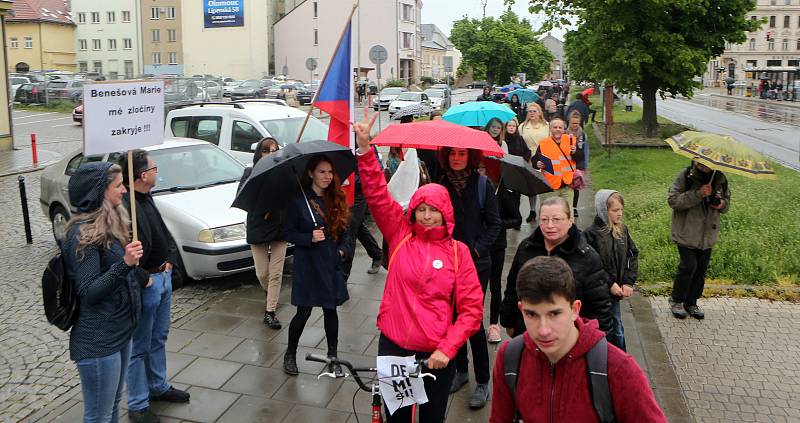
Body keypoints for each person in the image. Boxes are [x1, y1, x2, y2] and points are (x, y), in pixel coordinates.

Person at [354, 110, 484, 422]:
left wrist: (448, 349)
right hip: (395, 347)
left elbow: (472, 310)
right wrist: (364, 150)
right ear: (412, 210)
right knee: (396, 416)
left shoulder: (459, 253)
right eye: (421, 209)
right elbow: (377, 195)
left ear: (445, 213)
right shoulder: (399, 235)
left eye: (433, 210)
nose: (426, 216)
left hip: (436, 355)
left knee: (430, 418)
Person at [490, 256, 668, 422]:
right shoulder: (510, 358)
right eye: (531, 314)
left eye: (554, 313)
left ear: (575, 309)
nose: (543, 330)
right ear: (521, 310)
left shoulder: (618, 369)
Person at [63, 162, 148, 423]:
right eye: (118, 185)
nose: (124, 190)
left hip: (120, 332)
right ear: (99, 191)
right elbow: (90, 291)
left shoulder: (111, 223)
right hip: (99, 341)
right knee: (98, 416)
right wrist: (125, 264)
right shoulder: (83, 234)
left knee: (112, 409)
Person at [120, 150, 190, 423]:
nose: (157, 171)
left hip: (162, 278)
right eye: (154, 167)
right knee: (139, 346)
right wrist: (142, 276)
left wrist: (171, 260)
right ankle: (137, 403)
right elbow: (121, 250)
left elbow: (164, 234)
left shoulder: (148, 199)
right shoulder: (125, 205)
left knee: (158, 338)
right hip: (147, 282)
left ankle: (158, 387)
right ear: (142, 175)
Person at [437, 144, 501, 409]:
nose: (456, 158)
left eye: (462, 154)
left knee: (472, 322)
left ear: (470, 157)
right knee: (452, 319)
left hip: (476, 263)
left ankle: (483, 381)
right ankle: (461, 371)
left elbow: (494, 224)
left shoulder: (482, 185)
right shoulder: (441, 184)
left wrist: (476, 249)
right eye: (452, 153)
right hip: (446, 263)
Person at [499, 197, 614, 342]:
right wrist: (508, 322)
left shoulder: (587, 257)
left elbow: (600, 306)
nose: (550, 225)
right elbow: (512, 287)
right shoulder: (526, 248)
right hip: (528, 334)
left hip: (569, 339)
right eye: (544, 220)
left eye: (556, 219)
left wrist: (597, 343)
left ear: (569, 220)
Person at [283, 156, 351, 376]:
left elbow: (346, 231)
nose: (327, 177)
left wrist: (342, 249)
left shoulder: (336, 197)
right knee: (303, 312)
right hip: (308, 264)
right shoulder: (298, 201)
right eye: (322, 172)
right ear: (311, 173)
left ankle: (333, 357)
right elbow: (287, 232)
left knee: (331, 311)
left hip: (330, 263)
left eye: (330, 172)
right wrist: (308, 237)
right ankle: (290, 354)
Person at [667, 160, 730, 320]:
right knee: (689, 266)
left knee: (700, 270)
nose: (703, 164)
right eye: (700, 161)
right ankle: (677, 300)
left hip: (707, 235)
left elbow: (727, 203)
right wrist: (698, 194)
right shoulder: (686, 176)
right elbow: (673, 201)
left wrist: (721, 204)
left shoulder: (720, 178)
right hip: (686, 232)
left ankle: (691, 302)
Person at [237, 138, 287, 329]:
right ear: (259, 153)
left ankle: (270, 311)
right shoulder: (251, 172)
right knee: (262, 272)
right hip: (258, 225)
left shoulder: (282, 171)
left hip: (280, 226)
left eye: (274, 150)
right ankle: (270, 293)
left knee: (276, 273)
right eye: (266, 151)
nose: (271, 154)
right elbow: (242, 197)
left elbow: (291, 196)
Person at [583, 190, 639, 350]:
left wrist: (628, 281)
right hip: (599, 293)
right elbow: (593, 265)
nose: (620, 214)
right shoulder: (590, 235)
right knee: (609, 330)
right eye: (615, 210)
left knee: (617, 329)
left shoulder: (622, 230)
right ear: (603, 210)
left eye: (621, 209)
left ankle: (619, 362)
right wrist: (610, 284)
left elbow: (632, 254)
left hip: (616, 292)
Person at [533, 118, 583, 206]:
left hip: (568, 185)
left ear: (564, 129)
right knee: (551, 213)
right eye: (555, 127)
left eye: (560, 127)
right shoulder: (544, 143)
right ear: (550, 129)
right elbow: (534, 160)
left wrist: (575, 152)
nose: (557, 129)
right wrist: (537, 164)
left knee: (567, 213)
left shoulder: (571, 140)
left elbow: (580, 158)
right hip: (550, 186)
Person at [519, 103, 549, 223]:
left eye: (534, 111)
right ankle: (532, 211)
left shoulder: (547, 126)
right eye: (529, 111)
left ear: (540, 112)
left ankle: (545, 211)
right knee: (531, 187)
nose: (531, 113)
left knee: (544, 186)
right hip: (528, 160)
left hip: (544, 160)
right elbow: (519, 143)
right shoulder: (522, 127)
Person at [502, 117, 532, 229]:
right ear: (506, 127)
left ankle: (516, 219)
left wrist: (522, 160)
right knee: (506, 196)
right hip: (506, 171)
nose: (511, 128)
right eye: (509, 126)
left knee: (516, 196)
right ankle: (507, 217)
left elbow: (528, 152)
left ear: (516, 128)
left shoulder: (519, 139)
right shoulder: (503, 139)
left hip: (517, 171)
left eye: (513, 126)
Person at [566, 111, 588, 217]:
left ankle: (574, 207)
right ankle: (567, 206)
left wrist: (584, 166)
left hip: (578, 163)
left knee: (575, 185)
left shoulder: (582, 134)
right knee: (567, 186)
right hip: (567, 163)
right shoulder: (565, 134)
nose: (575, 125)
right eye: (573, 123)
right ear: (569, 122)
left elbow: (585, 151)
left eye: (577, 123)